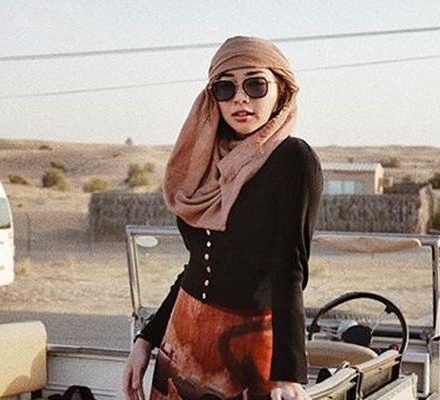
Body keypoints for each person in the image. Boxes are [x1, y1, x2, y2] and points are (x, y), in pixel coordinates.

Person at [122, 36, 323, 400]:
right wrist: (146, 339)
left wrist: (289, 375)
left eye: (255, 85)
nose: (240, 99)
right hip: (182, 342)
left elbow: (289, 270)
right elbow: (197, 266)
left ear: (281, 90)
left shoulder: (293, 159)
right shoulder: (206, 162)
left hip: (247, 348)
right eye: (225, 88)